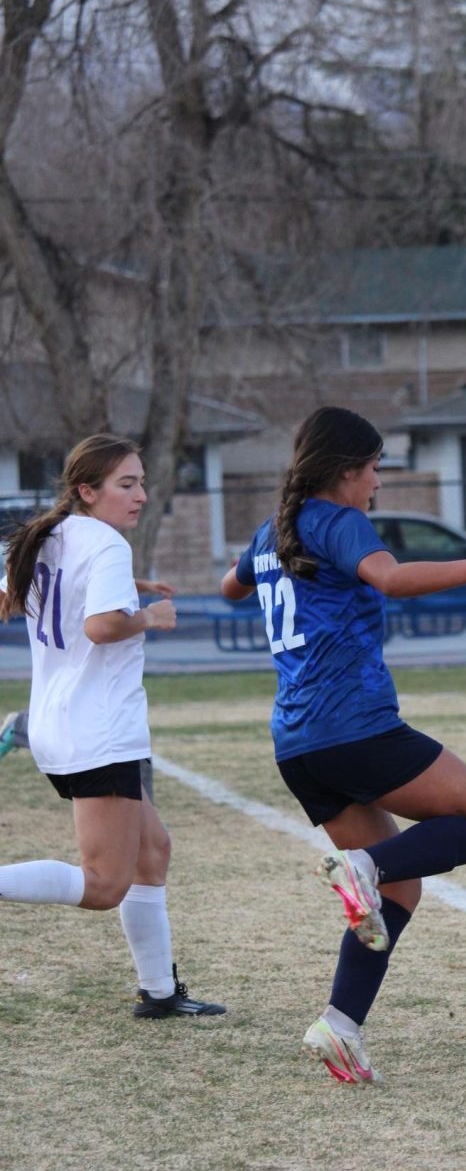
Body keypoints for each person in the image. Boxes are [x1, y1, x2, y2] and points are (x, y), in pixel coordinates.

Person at [221, 405, 466, 1084]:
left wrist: (260, 567)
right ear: (344, 472)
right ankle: (361, 867)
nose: (378, 483)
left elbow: (230, 587)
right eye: (373, 469)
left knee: (402, 890)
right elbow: (391, 578)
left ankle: (339, 1025)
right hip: (353, 725)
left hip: (298, 746)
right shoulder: (338, 521)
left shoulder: (271, 530)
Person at [0, 434, 225, 1019]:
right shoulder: (104, 545)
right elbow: (101, 627)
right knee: (104, 886)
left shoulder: (43, 537)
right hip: (98, 733)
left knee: (153, 850)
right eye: (127, 484)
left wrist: (131, 594)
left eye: (142, 482)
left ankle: (158, 993)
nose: (142, 495)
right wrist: (148, 615)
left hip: (58, 724)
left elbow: (17, 600)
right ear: (86, 490)